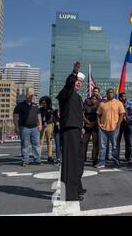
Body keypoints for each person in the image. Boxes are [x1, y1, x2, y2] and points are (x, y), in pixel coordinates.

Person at [56, 61, 86, 201]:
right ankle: (68, 193)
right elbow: (69, 84)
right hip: (69, 129)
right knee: (70, 162)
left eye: (80, 82)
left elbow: (78, 114)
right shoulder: (66, 93)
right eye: (76, 81)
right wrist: (74, 72)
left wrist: (82, 127)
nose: (78, 83)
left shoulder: (79, 97)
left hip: (77, 130)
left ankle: (76, 187)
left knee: (78, 161)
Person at [95, 88, 126, 168]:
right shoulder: (102, 103)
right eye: (109, 92)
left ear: (114, 93)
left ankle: (116, 161)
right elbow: (98, 114)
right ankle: (101, 162)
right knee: (102, 146)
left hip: (114, 128)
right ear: (106, 93)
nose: (110, 94)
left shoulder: (118, 103)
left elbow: (122, 114)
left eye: (111, 92)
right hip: (103, 128)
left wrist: (118, 124)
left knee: (115, 146)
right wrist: (99, 124)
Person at [13, 88, 42, 167]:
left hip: (35, 128)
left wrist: (40, 125)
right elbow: (15, 116)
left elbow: (39, 115)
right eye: (30, 94)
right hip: (24, 128)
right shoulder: (19, 106)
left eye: (32, 95)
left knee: (36, 144)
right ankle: (25, 160)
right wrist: (16, 127)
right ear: (26, 95)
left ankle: (37, 160)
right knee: (25, 145)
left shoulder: (35, 106)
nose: (31, 96)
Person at [82, 95, 99, 166]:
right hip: (87, 126)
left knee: (95, 144)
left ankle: (94, 159)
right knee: (84, 143)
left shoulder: (98, 107)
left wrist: (94, 123)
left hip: (95, 127)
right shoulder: (85, 106)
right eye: (92, 99)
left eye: (95, 99)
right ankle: (83, 158)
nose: (93, 100)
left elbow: (99, 116)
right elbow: (82, 115)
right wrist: (88, 122)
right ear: (90, 99)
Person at [39, 96, 54, 163]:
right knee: (40, 141)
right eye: (42, 103)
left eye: (45, 103)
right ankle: (38, 155)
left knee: (49, 141)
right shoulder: (40, 110)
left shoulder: (51, 109)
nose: (44, 104)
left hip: (49, 125)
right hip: (42, 125)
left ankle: (49, 156)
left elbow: (51, 118)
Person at [117, 92, 128, 162]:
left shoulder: (127, 104)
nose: (125, 98)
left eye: (125, 96)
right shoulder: (117, 104)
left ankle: (127, 157)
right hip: (119, 125)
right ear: (120, 98)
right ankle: (116, 156)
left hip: (127, 125)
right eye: (123, 97)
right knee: (117, 141)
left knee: (128, 141)